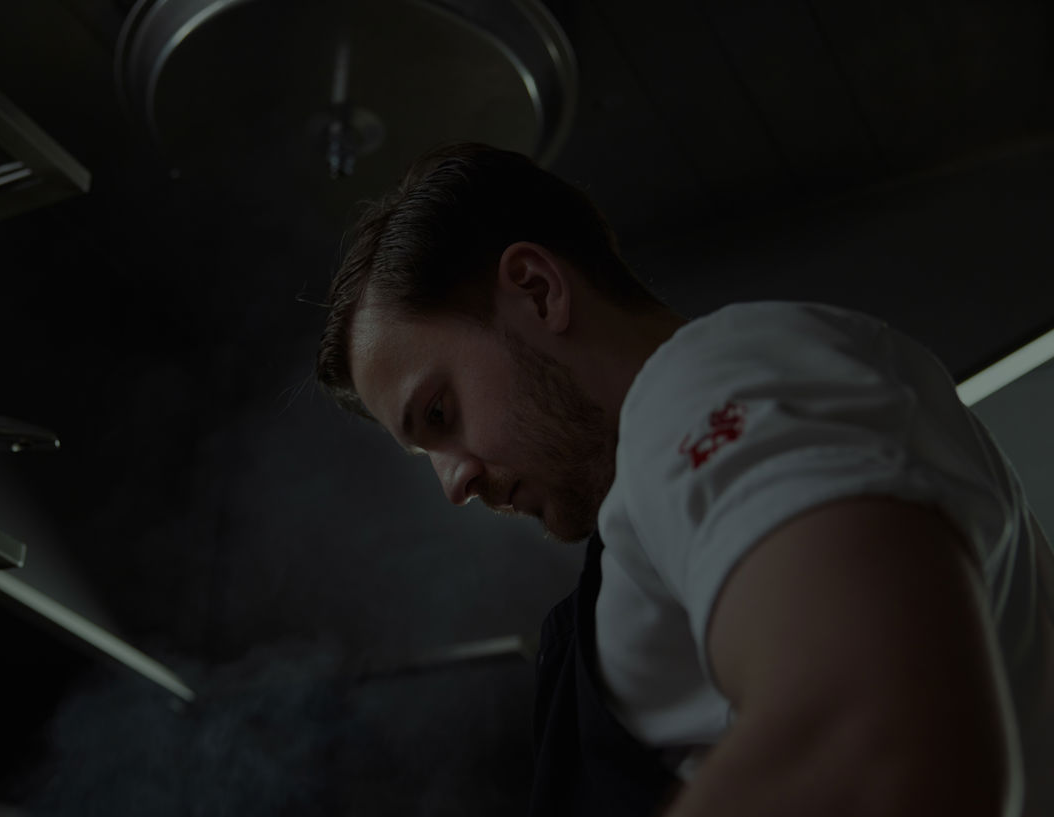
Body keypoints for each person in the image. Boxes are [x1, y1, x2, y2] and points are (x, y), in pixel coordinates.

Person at [315, 142, 1053, 817]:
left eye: (439, 413)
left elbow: (876, 738)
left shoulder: (702, 384)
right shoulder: (661, 483)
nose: (454, 484)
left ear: (537, 291)